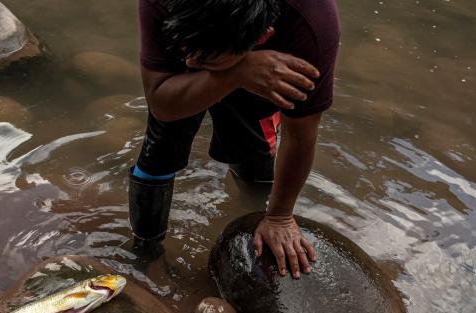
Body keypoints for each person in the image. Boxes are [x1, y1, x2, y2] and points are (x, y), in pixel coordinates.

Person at [129, 0, 341, 278]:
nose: (191, 62)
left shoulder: (311, 20)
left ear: (262, 37)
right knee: (161, 149)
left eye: (204, 59)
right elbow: (162, 104)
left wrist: (279, 216)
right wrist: (234, 72)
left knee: (255, 157)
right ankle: (146, 254)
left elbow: (300, 136)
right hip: (204, 39)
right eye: (189, 52)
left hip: (261, 63)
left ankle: (251, 214)